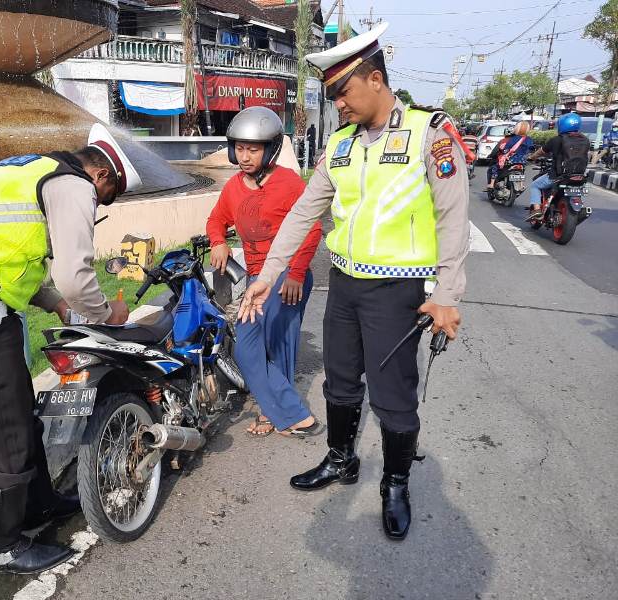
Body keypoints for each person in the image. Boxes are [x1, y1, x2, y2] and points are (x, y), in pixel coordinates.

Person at [237, 22, 470, 540]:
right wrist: (268, 275)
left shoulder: (428, 133)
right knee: (340, 382)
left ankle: (395, 482)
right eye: (333, 95)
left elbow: (453, 218)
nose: (338, 104)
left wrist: (448, 294)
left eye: (343, 92)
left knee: (392, 394)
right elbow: (303, 214)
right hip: (343, 284)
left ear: (376, 80)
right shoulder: (339, 146)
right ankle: (341, 459)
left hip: (398, 290)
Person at [0, 123, 140, 574]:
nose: (97, 208)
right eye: (107, 200)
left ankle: (39, 505)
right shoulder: (74, 186)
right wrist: (105, 314)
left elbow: (3, 252)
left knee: (17, 416)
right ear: (103, 178)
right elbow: (75, 274)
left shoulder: (24, 168)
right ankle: (3, 547)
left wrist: (53, 303)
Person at [207, 107, 322, 437]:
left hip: (288, 274)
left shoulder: (288, 183)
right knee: (248, 346)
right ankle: (290, 413)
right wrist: (218, 242)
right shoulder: (233, 187)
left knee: (278, 344)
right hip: (256, 278)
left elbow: (311, 230)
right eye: (240, 148)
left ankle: (275, 415)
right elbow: (217, 220)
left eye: (253, 149)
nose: (244, 156)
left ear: (269, 149)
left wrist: (297, 273)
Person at [527, 113, 589, 219]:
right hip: (579, 176)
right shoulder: (585, 140)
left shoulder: (556, 140)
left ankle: (536, 210)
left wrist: (531, 158)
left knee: (535, 185)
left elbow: (541, 152)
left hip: (558, 176)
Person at [486, 121, 533, 191]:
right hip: (522, 160)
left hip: (511, 159)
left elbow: (506, 148)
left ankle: (492, 184)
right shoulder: (529, 139)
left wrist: (504, 152)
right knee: (522, 170)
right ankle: (521, 185)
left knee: (495, 167)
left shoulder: (512, 139)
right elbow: (531, 148)